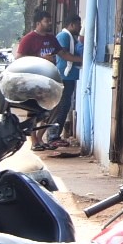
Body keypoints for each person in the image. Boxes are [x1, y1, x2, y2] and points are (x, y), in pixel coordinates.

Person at [43, 14, 84, 150]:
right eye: (78, 25)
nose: (80, 28)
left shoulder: (71, 37)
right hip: (63, 76)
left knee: (65, 106)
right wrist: (82, 59)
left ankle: (55, 135)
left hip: (69, 77)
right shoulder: (64, 37)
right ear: (71, 25)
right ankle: (52, 136)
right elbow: (64, 55)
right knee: (60, 107)